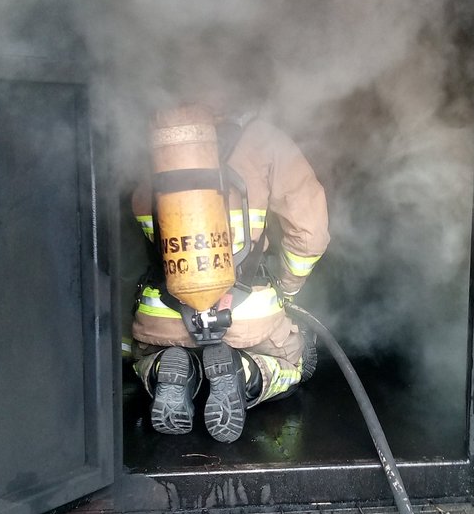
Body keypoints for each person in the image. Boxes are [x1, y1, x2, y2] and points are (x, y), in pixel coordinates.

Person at [130, 102, 329, 442]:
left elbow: (143, 214)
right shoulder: (265, 139)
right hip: (248, 313)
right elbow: (310, 233)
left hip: (166, 310)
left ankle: (171, 367)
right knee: (294, 365)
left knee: (142, 358)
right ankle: (242, 371)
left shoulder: (161, 140)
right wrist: (288, 287)